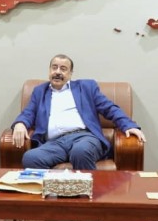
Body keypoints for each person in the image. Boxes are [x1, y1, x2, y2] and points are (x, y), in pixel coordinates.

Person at [11, 54, 145, 170]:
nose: (57, 72)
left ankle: (88, 191)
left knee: (80, 151)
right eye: (54, 67)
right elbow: (28, 113)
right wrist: (20, 123)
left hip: (84, 138)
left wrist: (128, 126)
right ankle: (54, 190)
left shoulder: (86, 87)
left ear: (70, 74)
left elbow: (109, 108)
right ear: (49, 70)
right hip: (54, 144)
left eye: (63, 69)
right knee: (31, 158)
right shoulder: (40, 91)